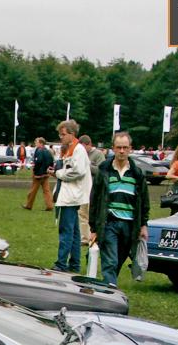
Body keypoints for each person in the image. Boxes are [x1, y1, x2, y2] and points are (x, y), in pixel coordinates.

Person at [89, 130, 149, 285]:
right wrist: (93, 228)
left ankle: (107, 287)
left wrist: (143, 225)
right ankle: (110, 292)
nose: (122, 151)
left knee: (118, 261)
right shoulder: (104, 170)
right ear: (113, 148)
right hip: (109, 223)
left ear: (130, 148)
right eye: (118, 147)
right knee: (110, 261)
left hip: (130, 225)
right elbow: (95, 200)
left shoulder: (137, 173)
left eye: (125, 147)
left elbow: (144, 201)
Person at [51, 119, 91, 274]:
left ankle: (61, 263)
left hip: (72, 196)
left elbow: (78, 171)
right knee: (74, 233)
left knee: (66, 231)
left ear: (72, 134)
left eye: (63, 134)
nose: (61, 137)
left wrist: (59, 173)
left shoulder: (78, 150)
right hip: (71, 195)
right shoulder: (71, 149)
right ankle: (74, 264)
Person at [22, 137, 54, 211]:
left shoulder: (39, 151)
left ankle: (28, 205)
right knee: (47, 191)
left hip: (39, 175)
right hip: (46, 174)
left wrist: (35, 170)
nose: (35, 143)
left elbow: (38, 161)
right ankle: (49, 205)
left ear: (41, 143)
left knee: (33, 190)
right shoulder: (48, 151)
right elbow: (51, 161)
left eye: (37, 142)